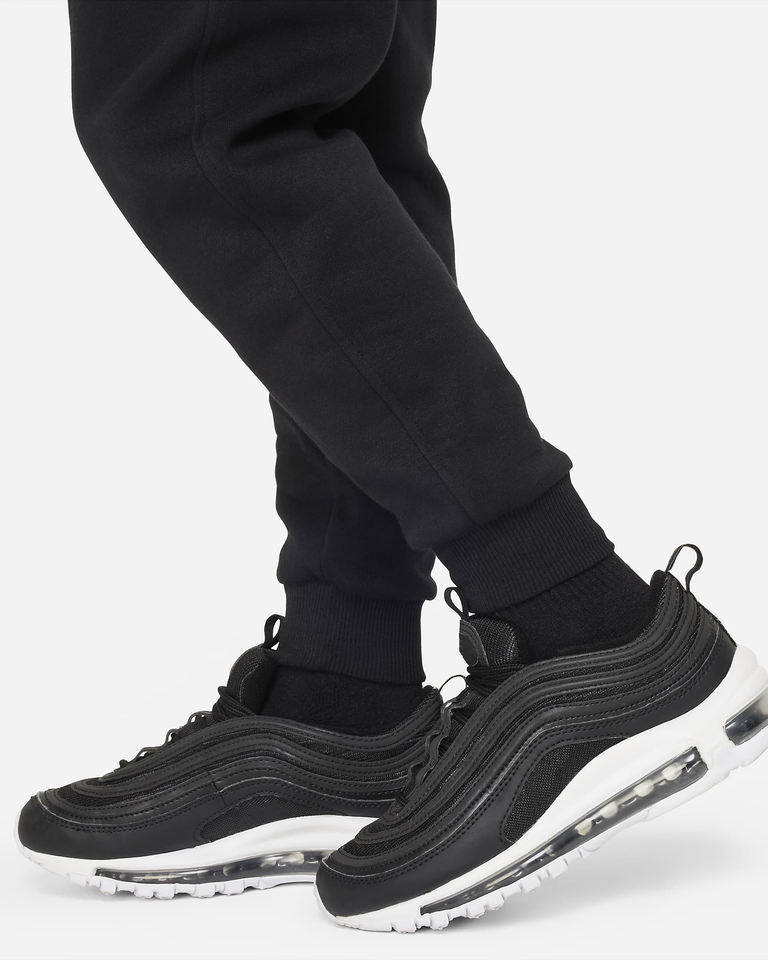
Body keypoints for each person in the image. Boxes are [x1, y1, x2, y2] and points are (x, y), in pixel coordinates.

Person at [16, 0, 768, 929]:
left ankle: (581, 618)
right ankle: (346, 688)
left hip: (580, 615)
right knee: (324, 104)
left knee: (200, 108)